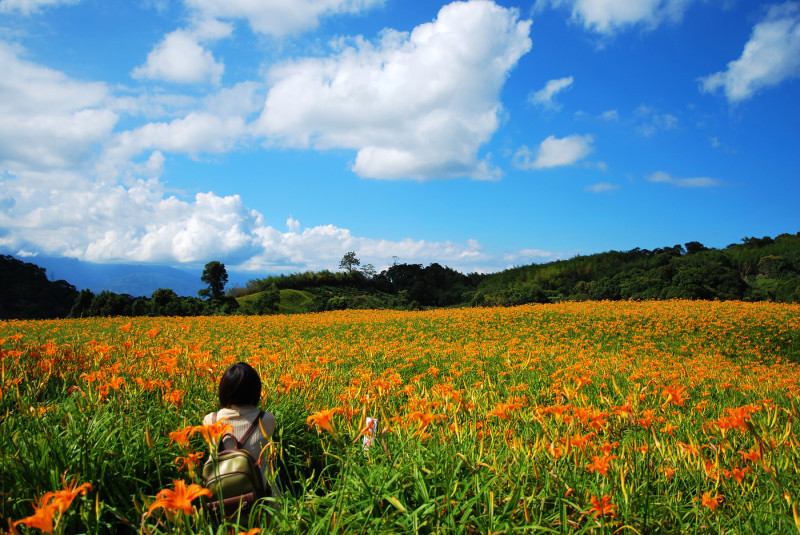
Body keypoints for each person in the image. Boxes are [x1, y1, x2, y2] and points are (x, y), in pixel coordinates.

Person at [202, 362, 280, 501]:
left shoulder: (209, 420)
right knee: (276, 473)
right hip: (261, 501)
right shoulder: (267, 419)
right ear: (256, 391)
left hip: (221, 501)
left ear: (223, 390)